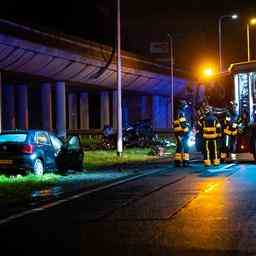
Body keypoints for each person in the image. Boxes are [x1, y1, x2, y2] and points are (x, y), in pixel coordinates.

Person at [173, 100, 191, 167]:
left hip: (178, 132)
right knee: (186, 146)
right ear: (182, 106)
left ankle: (177, 161)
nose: (185, 107)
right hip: (182, 132)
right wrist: (188, 130)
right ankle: (185, 161)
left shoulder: (177, 112)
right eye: (185, 106)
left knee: (179, 146)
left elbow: (179, 123)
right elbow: (183, 124)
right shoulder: (181, 113)